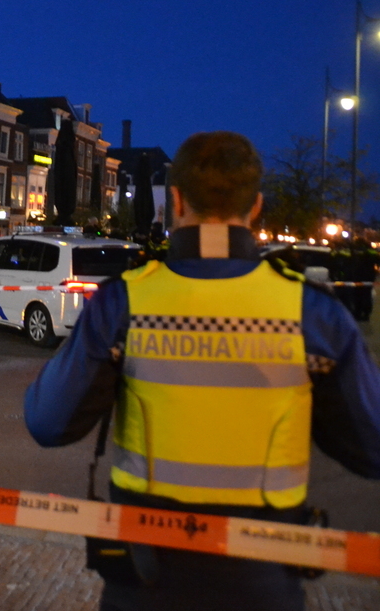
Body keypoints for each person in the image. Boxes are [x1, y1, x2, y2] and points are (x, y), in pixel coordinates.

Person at [24, 131, 380, 611]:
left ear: (174, 200)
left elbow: (48, 423)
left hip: (144, 584)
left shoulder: (124, 303)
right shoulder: (314, 314)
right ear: (256, 206)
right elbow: (372, 446)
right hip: (265, 587)